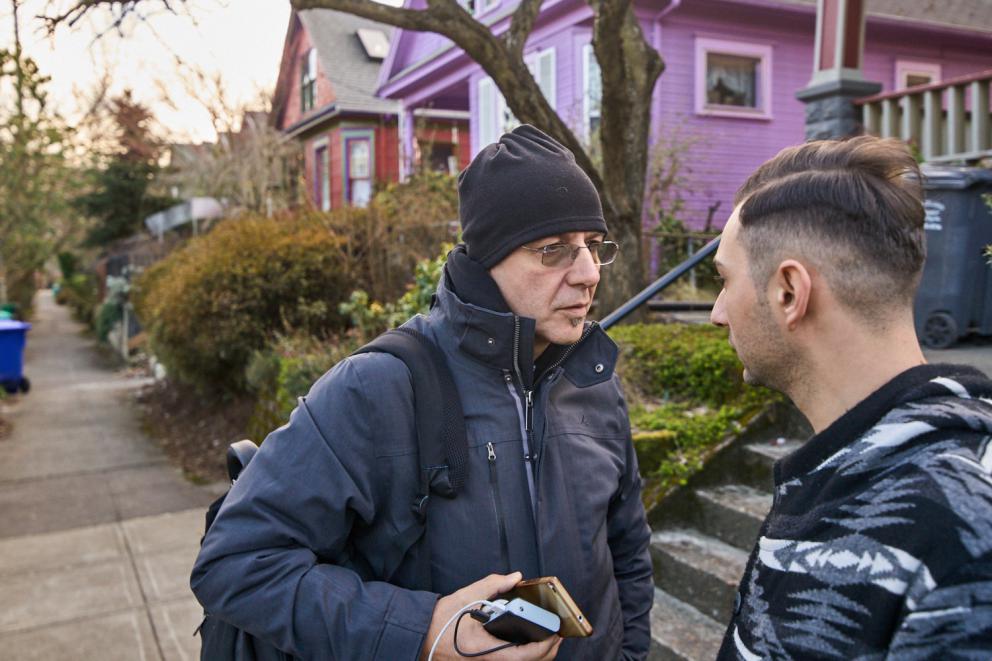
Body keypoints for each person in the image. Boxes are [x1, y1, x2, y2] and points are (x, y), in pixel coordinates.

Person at [191, 124, 654, 660]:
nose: (589, 273)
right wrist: (423, 632)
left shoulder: (591, 380)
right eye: (553, 250)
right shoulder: (376, 389)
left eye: (594, 246)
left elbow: (627, 551)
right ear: (486, 260)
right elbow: (236, 563)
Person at [710, 135, 992, 659]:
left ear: (789, 292)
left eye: (725, 280)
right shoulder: (841, 470)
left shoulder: (964, 530)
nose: (717, 312)